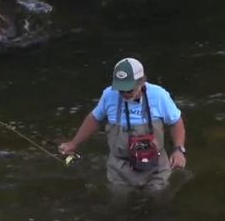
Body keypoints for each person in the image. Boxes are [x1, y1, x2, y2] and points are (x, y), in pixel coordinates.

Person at [59, 58, 186, 192]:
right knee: (119, 203)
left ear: (141, 82)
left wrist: (178, 150)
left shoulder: (159, 95)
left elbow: (175, 121)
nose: (124, 94)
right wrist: (73, 143)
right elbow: (94, 119)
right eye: (121, 89)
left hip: (156, 166)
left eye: (129, 89)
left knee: (157, 201)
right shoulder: (108, 95)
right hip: (119, 168)